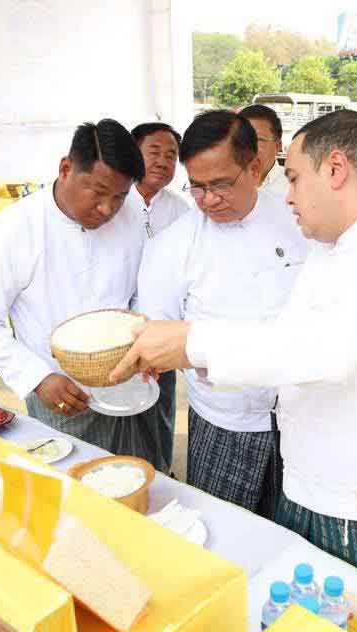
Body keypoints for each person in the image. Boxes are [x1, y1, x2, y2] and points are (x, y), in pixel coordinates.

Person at [112, 110, 357, 582]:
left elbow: (331, 350)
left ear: (335, 169)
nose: (288, 195)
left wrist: (195, 342)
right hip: (312, 481)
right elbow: (291, 339)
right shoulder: (330, 246)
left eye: (293, 178)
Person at [0, 119, 170, 472]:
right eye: (98, 192)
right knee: (78, 486)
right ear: (65, 168)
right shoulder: (13, 231)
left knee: (137, 477)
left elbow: (140, 292)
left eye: (119, 196)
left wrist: (145, 343)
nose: (107, 209)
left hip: (127, 383)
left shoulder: (132, 216)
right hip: (62, 391)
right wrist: (38, 378)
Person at [136, 110, 312, 518]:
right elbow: (160, 335)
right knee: (220, 527)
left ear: (254, 166)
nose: (209, 200)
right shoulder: (173, 244)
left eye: (220, 184)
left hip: (302, 415)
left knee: (294, 532)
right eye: (196, 187)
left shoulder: (298, 220)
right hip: (223, 420)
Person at [124, 122, 192, 471]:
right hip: (120, 328)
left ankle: (162, 467)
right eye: (154, 152)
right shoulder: (116, 202)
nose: (164, 162)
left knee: (161, 402)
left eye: (172, 155)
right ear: (134, 152)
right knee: (122, 405)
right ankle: (130, 470)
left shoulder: (182, 211)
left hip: (163, 326)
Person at [238, 104, 289, 195]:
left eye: (258, 140)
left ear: (278, 146)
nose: (248, 147)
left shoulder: (293, 185)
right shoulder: (222, 184)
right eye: (242, 139)